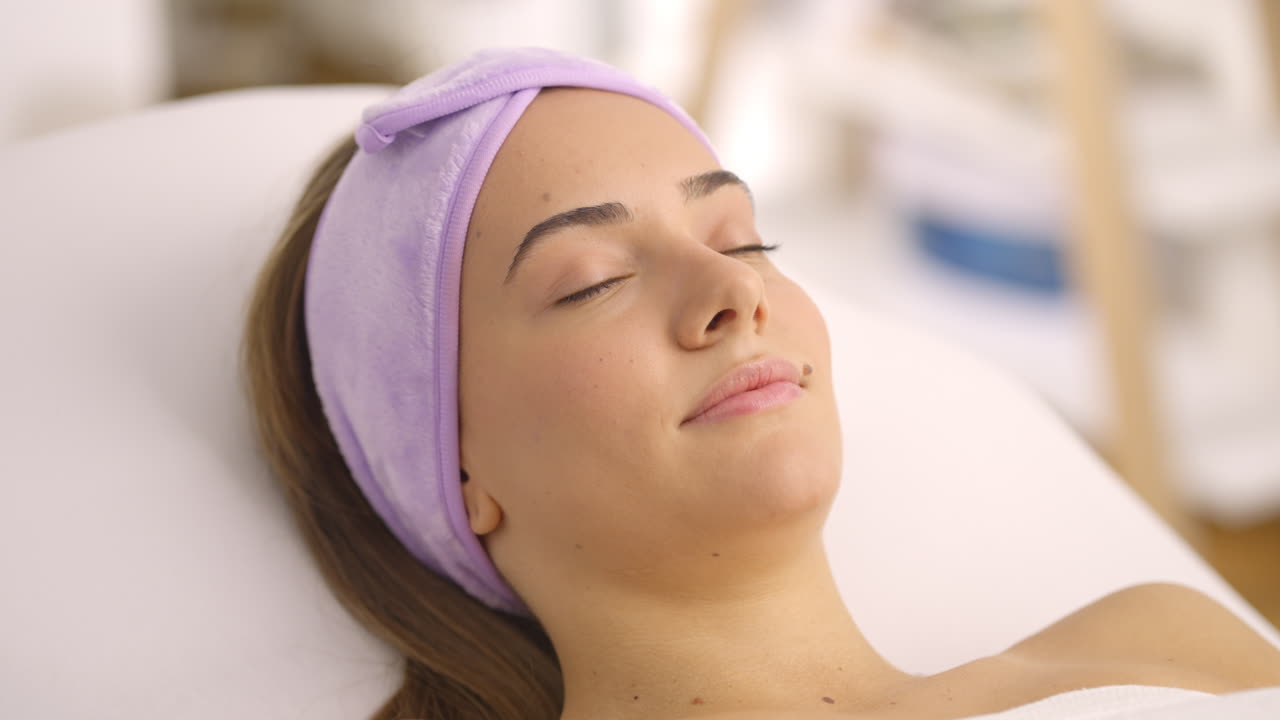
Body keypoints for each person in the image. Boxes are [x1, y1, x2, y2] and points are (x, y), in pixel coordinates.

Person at [241, 47, 1280, 720]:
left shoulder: (1156, 638)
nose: (730, 290)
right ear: (457, 469)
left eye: (744, 237)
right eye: (591, 283)